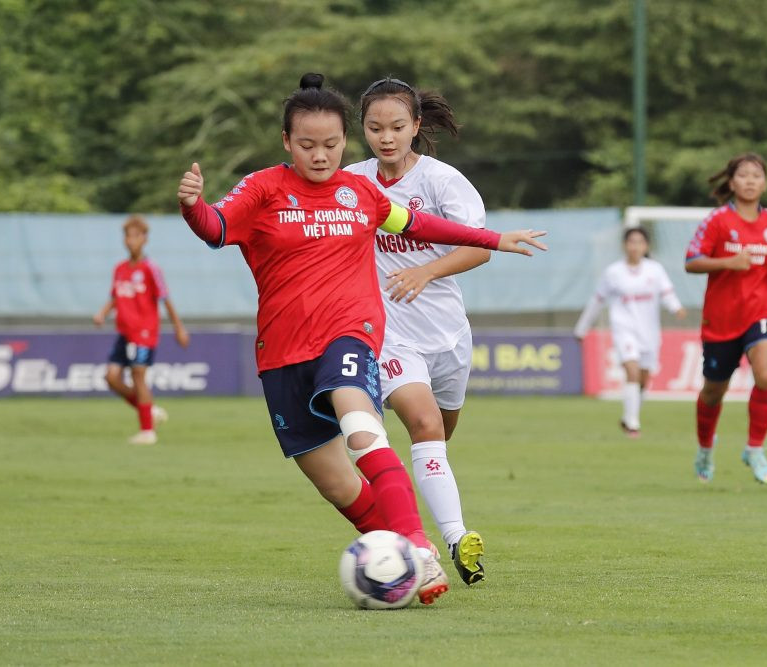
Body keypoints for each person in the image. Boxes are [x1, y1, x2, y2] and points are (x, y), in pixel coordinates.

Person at [176, 73, 546, 604]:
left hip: (350, 334)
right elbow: (215, 228)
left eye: (331, 144)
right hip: (282, 354)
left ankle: (417, 547)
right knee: (339, 488)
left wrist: (493, 239)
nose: (321, 155)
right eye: (307, 145)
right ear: (286, 141)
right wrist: (192, 205)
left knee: (360, 421)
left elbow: (419, 226)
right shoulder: (261, 189)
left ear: (344, 141)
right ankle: (401, 555)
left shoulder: (359, 192)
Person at [343, 77, 491, 586]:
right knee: (424, 425)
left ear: (416, 127)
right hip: (387, 335)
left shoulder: (443, 181)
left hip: (448, 336)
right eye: (375, 127)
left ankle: (414, 521)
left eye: (397, 127)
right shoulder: (351, 182)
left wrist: (426, 271)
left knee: (439, 437)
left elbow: (480, 246)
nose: (386, 137)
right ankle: (455, 540)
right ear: (363, 129)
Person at [685, 153, 767, 484]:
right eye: (743, 175)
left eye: (756, 175)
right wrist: (727, 263)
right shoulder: (717, 221)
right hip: (721, 319)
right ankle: (705, 448)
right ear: (731, 182)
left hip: (763, 309)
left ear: (765, 183)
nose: (750, 181)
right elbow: (691, 261)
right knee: (713, 392)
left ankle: (755, 448)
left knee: (765, 373)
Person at [574, 227, 686, 437]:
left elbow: (667, 294)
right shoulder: (613, 273)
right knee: (632, 371)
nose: (635, 246)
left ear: (646, 246)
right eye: (631, 242)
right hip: (624, 329)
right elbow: (597, 301)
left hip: (649, 332)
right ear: (624, 245)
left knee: (644, 379)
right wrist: (581, 329)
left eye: (639, 242)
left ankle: (628, 417)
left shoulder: (655, 270)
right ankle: (633, 424)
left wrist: (676, 307)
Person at [93, 215, 190, 445]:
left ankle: (148, 431)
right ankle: (150, 411)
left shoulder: (150, 269)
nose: (130, 241)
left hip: (144, 333)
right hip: (124, 333)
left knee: (138, 377)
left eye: (136, 236)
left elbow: (165, 299)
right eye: (127, 236)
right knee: (111, 378)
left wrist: (179, 328)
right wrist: (102, 313)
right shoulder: (120, 269)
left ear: (144, 239)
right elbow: (116, 295)